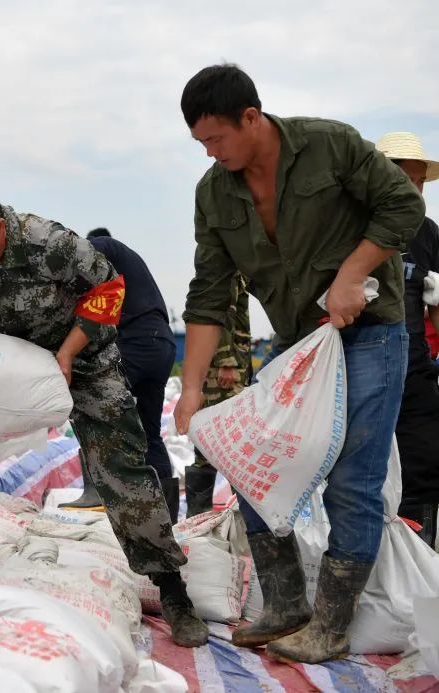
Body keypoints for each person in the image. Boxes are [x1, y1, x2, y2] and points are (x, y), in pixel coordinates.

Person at [173, 65, 424, 664]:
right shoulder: (215, 193)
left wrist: (352, 273)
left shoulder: (329, 145)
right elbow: (209, 295)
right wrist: (189, 391)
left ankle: (332, 626)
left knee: (352, 483)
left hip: (369, 335)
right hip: (297, 346)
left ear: (251, 118)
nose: (211, 153)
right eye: (201, 144)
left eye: (217, 138)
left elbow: (403, 206)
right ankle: (285, 605)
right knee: (254, 463)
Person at [0, 180, 209, 647]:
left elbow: (110, 288)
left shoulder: (48, 243)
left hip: (86, 359)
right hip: (12, 357)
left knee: (121, 468)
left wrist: (70, 353)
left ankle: (172, 591)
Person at [60, 227, 181, 524]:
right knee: (150, 433)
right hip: (162, 345)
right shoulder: (128, 260)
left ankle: (96, 492)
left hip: (138, 343)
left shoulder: (99, 247)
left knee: (89, 400)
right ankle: (167, 515)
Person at [376, 131, 439, 548]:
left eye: (418, 182)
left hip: (416, 376)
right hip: (364, 378)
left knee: (423, 470)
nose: (413, 190)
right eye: (403, 180)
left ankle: (421, 574)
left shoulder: (428, 233)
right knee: (364, 480)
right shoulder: (348, 229)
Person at [185, 273, 252, 517]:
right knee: (230, 439)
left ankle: (203, 515)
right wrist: (226, 360)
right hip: (223, 368)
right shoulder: (227, 271)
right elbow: (222, 311)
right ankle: (241, 516)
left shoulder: (235, 271)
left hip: (227, 363)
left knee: (217, 437)